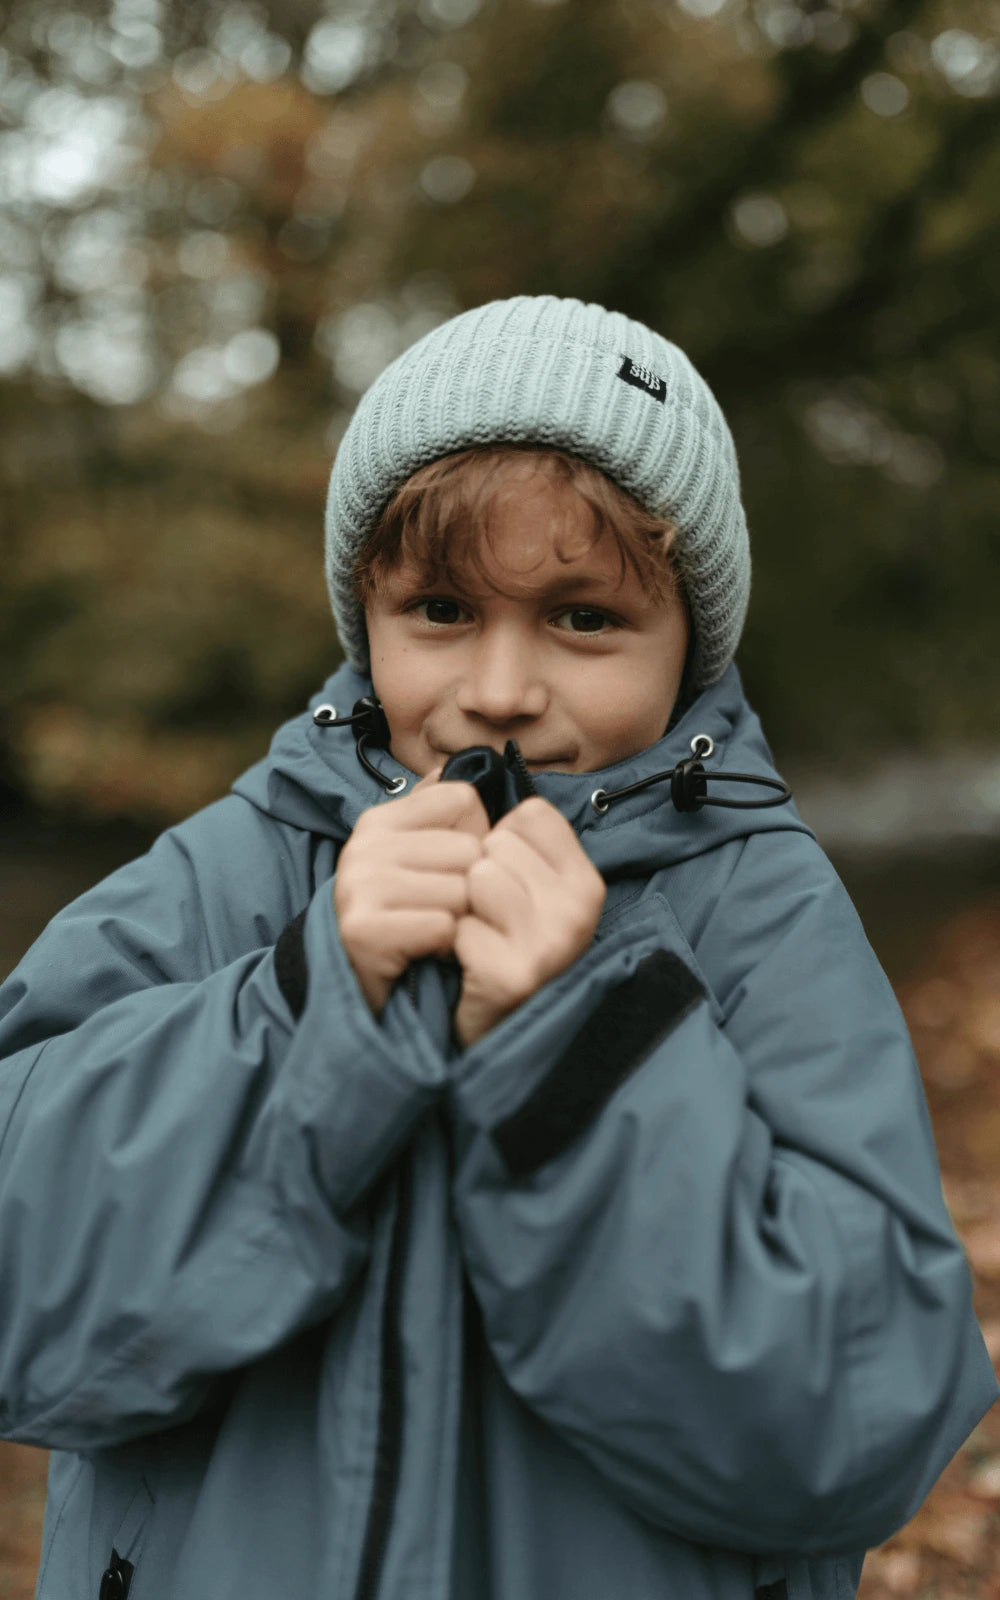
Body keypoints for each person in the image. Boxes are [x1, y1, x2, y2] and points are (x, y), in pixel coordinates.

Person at [0, 295, 995, 1600]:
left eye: (584, 619)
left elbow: (861, 1422)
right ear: (366, 618)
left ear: (692, 644)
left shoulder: (760, 912)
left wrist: (578, 1045)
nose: (501, 691)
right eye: (442, 610)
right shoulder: (230, 874)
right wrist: (304, 1005)